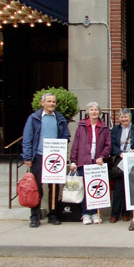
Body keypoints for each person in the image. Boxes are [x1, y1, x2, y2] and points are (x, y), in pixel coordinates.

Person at [22, 92, 71, 227]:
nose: (51, 104)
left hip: (55, 157)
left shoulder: (59, 118)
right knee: (37, 187)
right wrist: (27, 157)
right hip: (38, 156)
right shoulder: (34, 118)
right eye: (48, 101)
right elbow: (27, 139)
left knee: (54, 187)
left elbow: (66, 135)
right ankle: (35, 216)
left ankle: (53, 214)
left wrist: (61, 145)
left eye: (53, 102)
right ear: (42, 103)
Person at [69, 102, 111, 225]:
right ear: (88, 112)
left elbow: (108, 146)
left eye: (96, 110)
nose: (94, 112)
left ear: (99, 112)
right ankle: (86, 213)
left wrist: (102, 156)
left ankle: (95, 213)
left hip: (97, 163)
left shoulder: (104, 127)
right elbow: (76, 144)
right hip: (84, 161)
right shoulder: (81, 126)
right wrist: (73, 160)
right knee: (85, 188)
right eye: (91, 110)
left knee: (95, 188)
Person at [109, 108, 134, 223]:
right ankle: (114, 214)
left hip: (132, 160)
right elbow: (112, 145)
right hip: (120, 160)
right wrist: (120, 153)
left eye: (126, 117)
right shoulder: (114, 130)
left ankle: (126, 213)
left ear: (130, 118)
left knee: (129, 188)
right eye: (121, 117)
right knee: (118, 188)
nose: (124, 119)